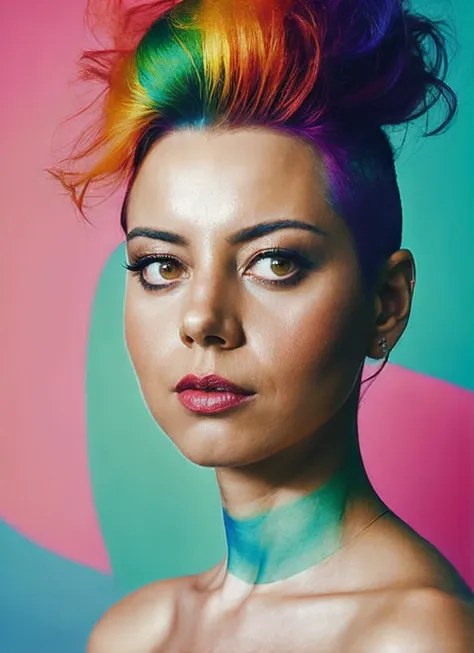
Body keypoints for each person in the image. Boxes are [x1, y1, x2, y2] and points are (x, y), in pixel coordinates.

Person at [50, 0, 474, 650]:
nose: (202, 319)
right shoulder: (132, 634)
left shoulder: (419, 635)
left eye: (274, 262)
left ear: (386, 303)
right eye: (162, 264)